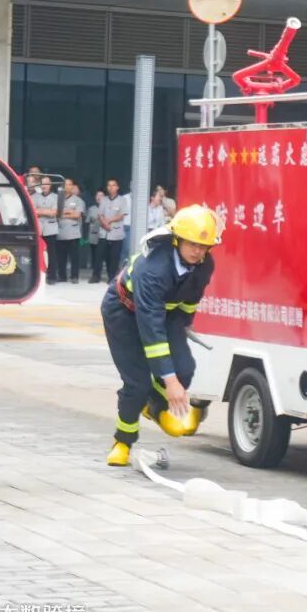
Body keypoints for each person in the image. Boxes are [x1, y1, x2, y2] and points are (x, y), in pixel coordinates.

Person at [102, 205, 220, 466]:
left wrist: (185, 324)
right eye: (192, 244)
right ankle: (123, 442)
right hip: (123, 312)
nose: (198, 251)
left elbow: (190, 300)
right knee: (138, 384)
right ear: (177, 240)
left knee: (185, 369)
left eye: (204, 246)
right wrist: (169, 382)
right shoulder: (154, 269)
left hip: (166, 315)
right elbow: (151, 331)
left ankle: (154, 406)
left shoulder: (204, 265)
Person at [99, 179, 128, 281]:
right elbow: (100, 214)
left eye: (113, 185)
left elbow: (122, 215)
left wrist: (109, 220)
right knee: (103, 255)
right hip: (104, 231)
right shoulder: (103, 200)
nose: (111, 187)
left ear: (117, 187)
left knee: (114, 256)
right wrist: (104, 223)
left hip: (116, 232)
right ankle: (98, 275)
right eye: (109, 185)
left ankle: (112, 277)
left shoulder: (122, 200)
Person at [32, 176, 60, 284]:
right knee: (37, 253)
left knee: (52, 253)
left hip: (51, 229)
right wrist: (47, 211)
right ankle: (37, 276)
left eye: (46, 184)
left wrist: (40, 211)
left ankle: (52, 277)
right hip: (38, 229)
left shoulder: (55, 197)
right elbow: (32, 211)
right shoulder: (35, 196)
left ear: (50, 185)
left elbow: (54, 212)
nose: (44, 186)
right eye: (42, 184)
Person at [56, 179, 84, 284]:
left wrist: (63, 213)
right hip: (60, 232)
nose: (67, 186)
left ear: (72, 186)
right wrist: (69, 212)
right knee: (61, 257)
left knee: (74, 257)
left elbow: (77, 215)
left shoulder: (78, 200)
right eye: (65, 184)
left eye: (69, 184)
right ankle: (62, 276)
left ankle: (74, 276)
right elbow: (55, 213)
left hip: (73, 232)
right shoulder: (58, 199)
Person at [87, 191, 105, 280]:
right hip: (93, 235)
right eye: (97, 195)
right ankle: (95, 274)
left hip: (104, 235)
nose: (99, 197)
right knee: (94, 255)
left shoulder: (107, 208)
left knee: (101, 255)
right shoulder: (91, 209)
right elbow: (88, 222)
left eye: (101, 195)